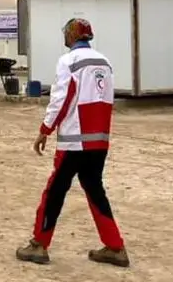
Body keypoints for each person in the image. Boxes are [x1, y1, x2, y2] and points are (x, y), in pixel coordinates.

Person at [15, 18, 128, 268]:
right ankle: (114, 246)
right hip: (99, 140)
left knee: (55, 191)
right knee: (95, 191)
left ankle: (39, 244)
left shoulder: (68, 62)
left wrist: (45, 129)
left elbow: (61, 99)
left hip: (74, 140)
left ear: (72, 35)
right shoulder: (105, 62)